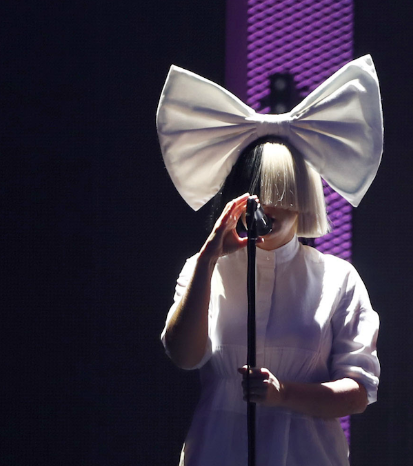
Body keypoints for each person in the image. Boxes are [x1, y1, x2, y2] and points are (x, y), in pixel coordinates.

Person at [156, 56, 383, 466]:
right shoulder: (204, 269)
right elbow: (183, 355)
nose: (269, 208)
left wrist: (285, 394)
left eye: (282, 194)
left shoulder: (338, 279)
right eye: (258, 194)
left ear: (303, 198)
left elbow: (359, 391)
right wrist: (208, 258)